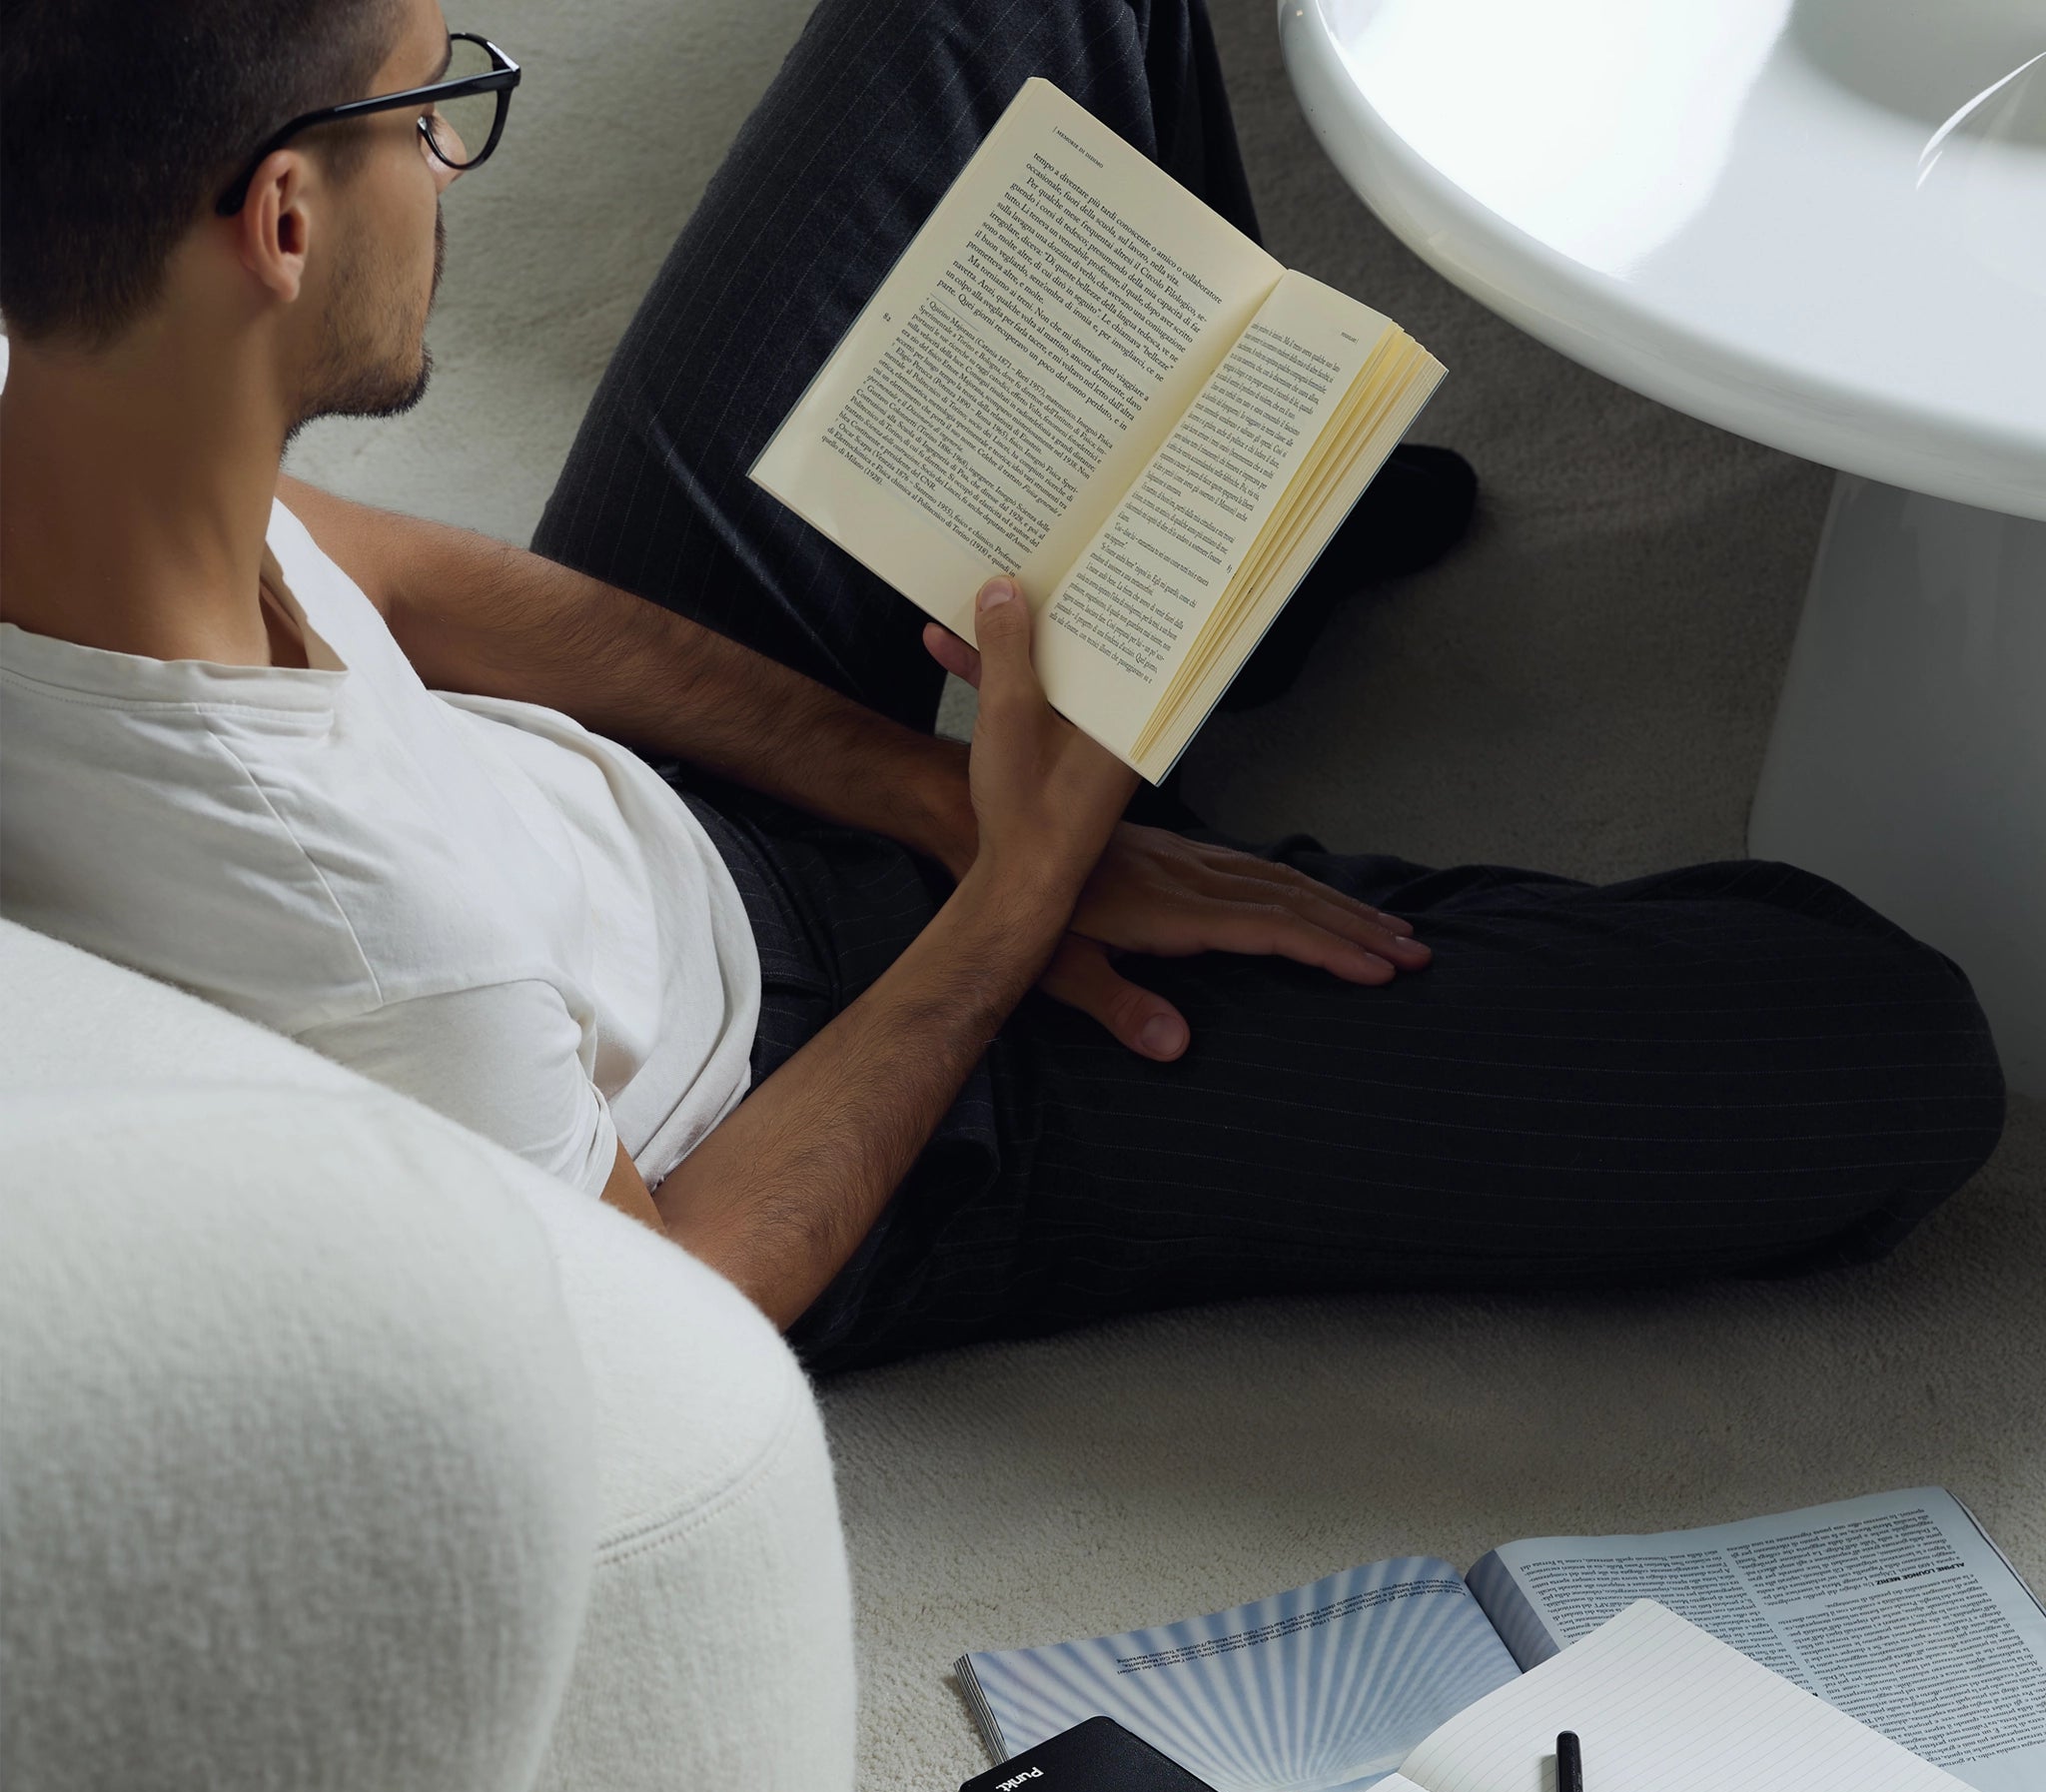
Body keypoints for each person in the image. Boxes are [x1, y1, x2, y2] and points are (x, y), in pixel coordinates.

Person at [0, 0, 2004, 1373]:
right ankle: (1162, 750)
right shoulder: (347, 926)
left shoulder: (69, 411)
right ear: (280, 221)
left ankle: (1217, 579)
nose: (456, 160)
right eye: (436, 109)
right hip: (809, 1111)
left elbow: (396, 567)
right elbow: (670, 1321)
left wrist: (939, 784)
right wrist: (1024, 883)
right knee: (1883, 1048)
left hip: (610, 803)